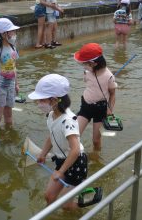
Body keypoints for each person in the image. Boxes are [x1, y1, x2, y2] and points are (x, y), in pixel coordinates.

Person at [28, 74, 89, 209]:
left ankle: (84, 208)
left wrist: (61, 171)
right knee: (49, 196)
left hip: (76, 163)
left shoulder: (68, 120)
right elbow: (51, 136)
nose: (39, 104)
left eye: (41, 100)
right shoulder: (51, 115)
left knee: (66, 205)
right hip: (62, 161)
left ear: (54, 100)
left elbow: (75, 150)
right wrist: (43, 154)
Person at [74, 43, 117, 151]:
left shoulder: (109, 76)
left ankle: (96, 157)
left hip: (100, 109)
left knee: (96, 141)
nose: (83, 65)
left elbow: (112, 94)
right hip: (86, 106)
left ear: (93, 63)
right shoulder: (86, 72)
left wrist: (110, 110)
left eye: (84, 63)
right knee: (74, 135)